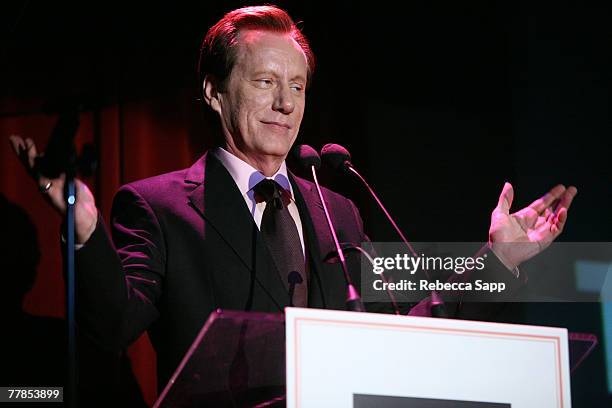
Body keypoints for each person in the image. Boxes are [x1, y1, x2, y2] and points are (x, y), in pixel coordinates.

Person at [9, 5, 576, 393]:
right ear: (213, 91)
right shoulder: (156, 207)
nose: (285, 103)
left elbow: (407, 331)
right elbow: (114, 325)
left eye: (298, 86)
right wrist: (84, 231)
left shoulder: (337, 209)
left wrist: (496, 261)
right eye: (263, 82)